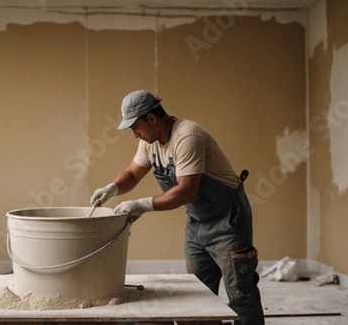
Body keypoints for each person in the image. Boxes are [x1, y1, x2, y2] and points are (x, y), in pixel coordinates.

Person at [90, 90, 264, 324]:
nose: (134, 134)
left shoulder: (187, 137)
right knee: (199, 295)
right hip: (197, 221)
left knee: (241, 294)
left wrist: (141, 205)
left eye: (135, 126)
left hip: (227, 221)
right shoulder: (149, 143)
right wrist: (112, 188)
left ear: (152, 119)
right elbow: (132, 173)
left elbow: (186, 191)